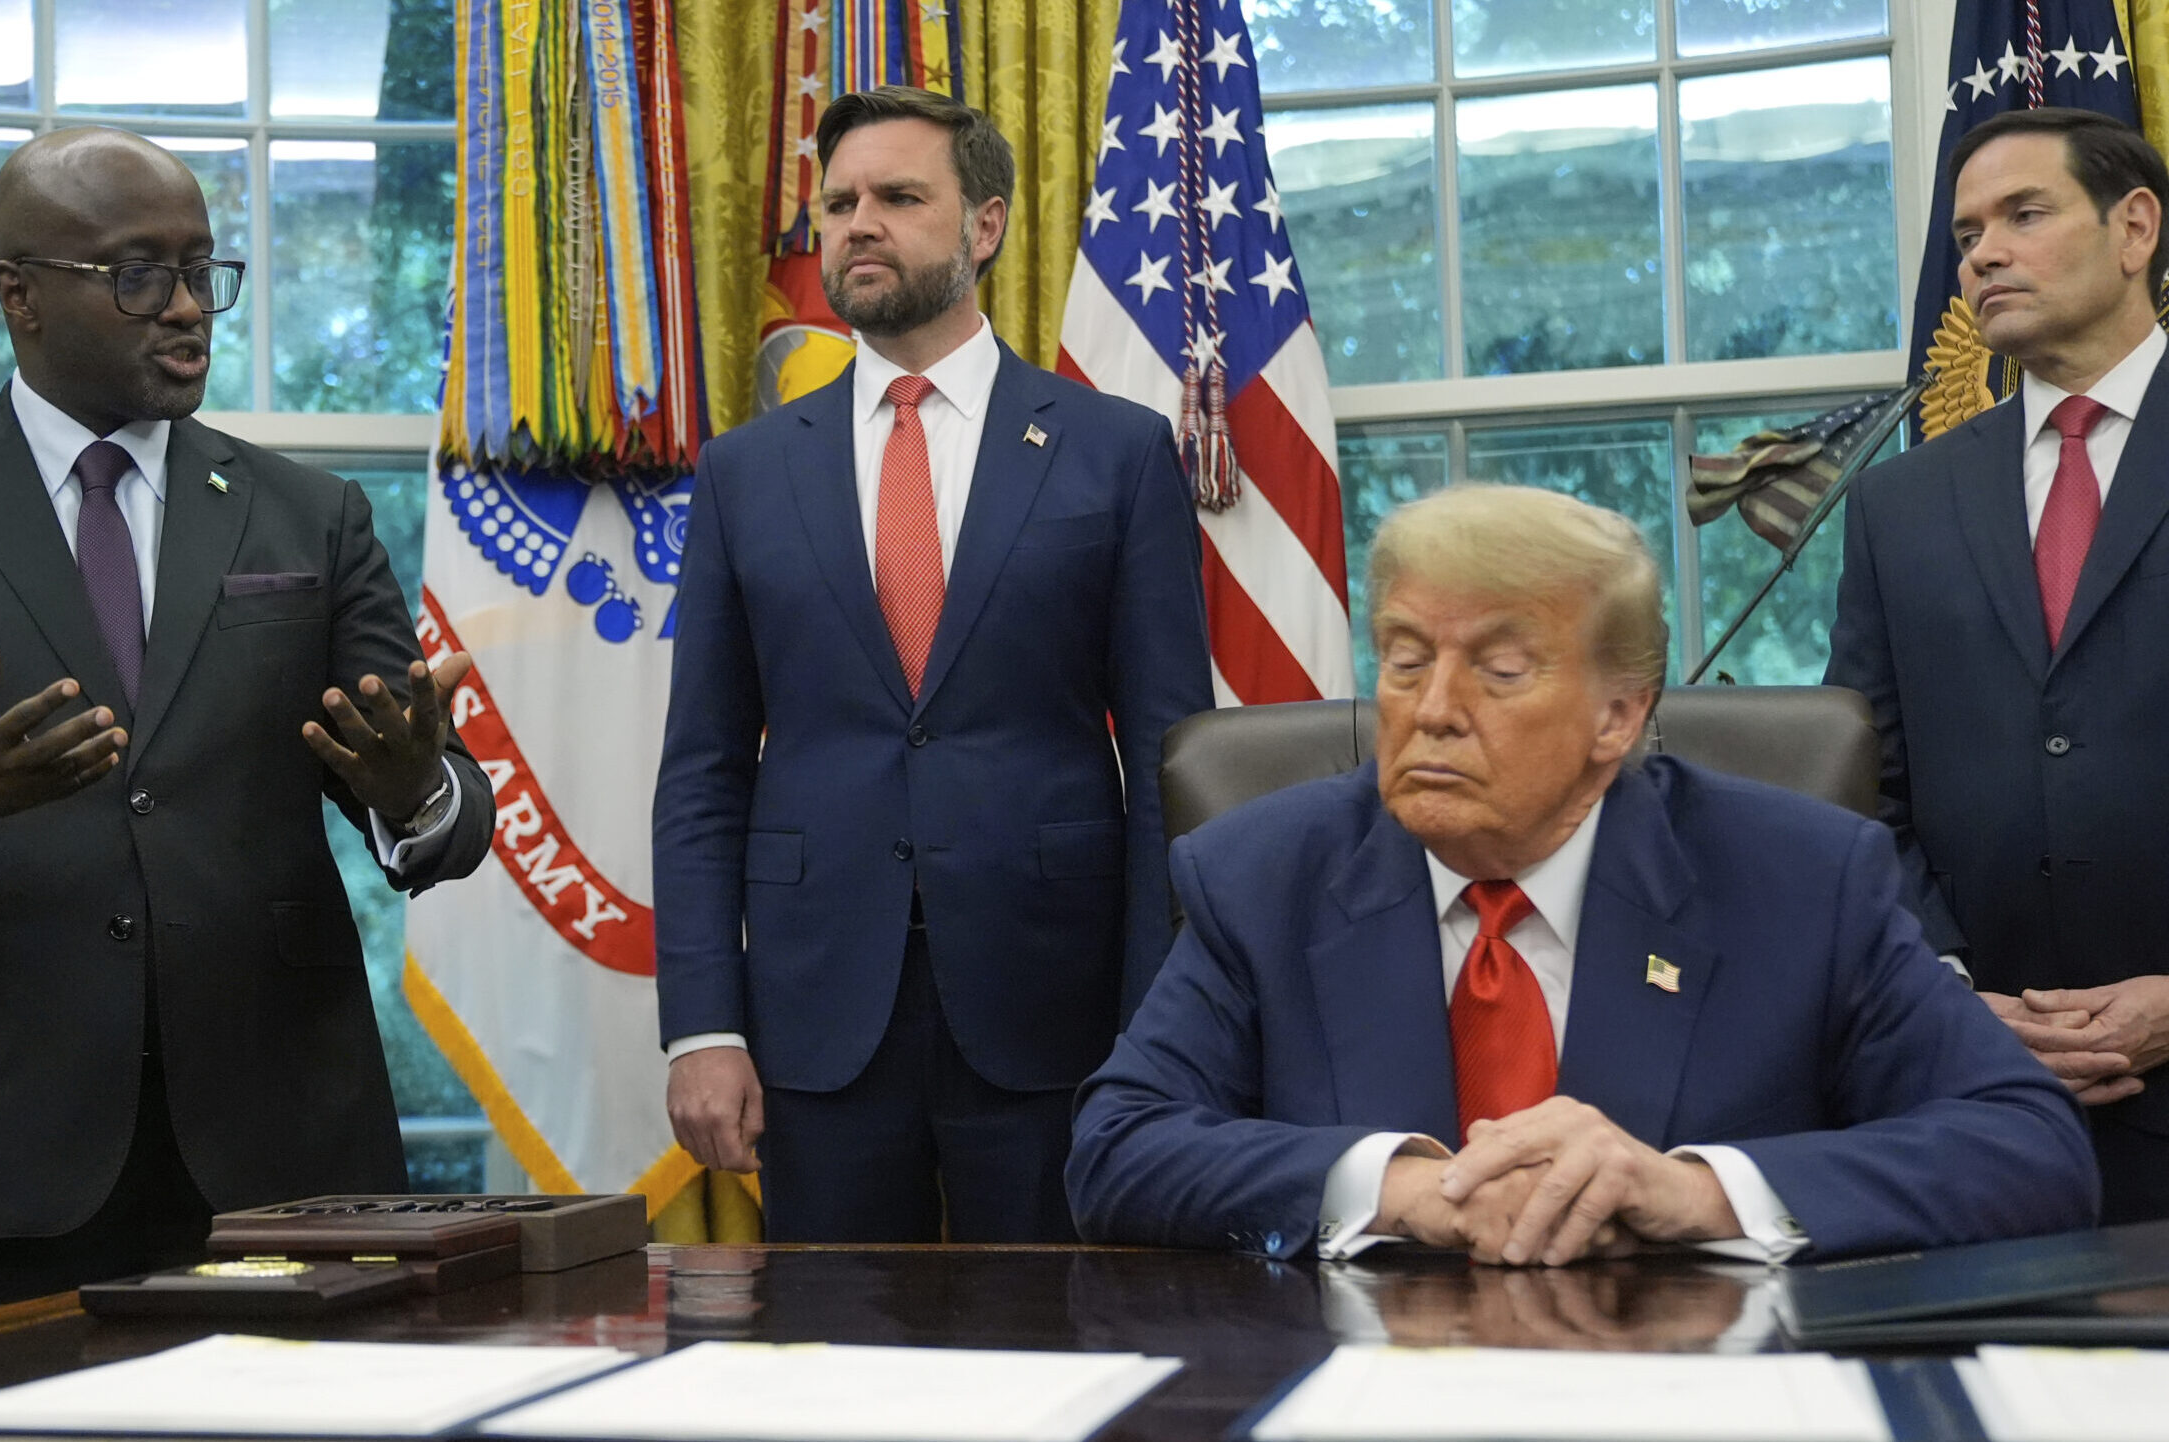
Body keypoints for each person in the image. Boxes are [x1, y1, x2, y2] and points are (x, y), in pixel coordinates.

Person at [0, 128, 496, 1303]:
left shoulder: (311, 515)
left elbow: (448, 804)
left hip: (277, 1154)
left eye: (201, 270)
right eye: (138, 274)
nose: (185, 306)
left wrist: (415, 790)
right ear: (19, 295)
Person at [1069, 485, 2099, 1264]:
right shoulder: (1263, 875)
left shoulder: (1801, 879)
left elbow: (2027, 1145)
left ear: (1618, 716)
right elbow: (1118, 1146)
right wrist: (1405, 1190)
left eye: (1500, 670)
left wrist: (1691, 1193)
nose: (1433, 708)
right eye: (1406, 658)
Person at [654, 85, 1214, 1242]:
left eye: (900, 197)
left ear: (984, 225)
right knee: (831, 1340)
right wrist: (703, 1025)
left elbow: (1175, 764)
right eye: (839, 203)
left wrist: (1161, 1025)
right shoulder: (745, 471)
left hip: (1058, 1013)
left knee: (1063, 1333)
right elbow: (702, 769)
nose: (859, 224)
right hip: (817, 1016)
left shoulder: (1113, 452)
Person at [1828, 107, 2169, 1225]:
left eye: (2024, 215)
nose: (1983, 255)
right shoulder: (1898, 503)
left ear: (2134, 229)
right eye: (1968, 232)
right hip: (1976, 1110)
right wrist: (1948, 992)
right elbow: (1860, 791)